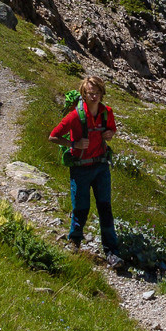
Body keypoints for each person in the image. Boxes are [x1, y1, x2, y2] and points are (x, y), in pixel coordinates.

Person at [48, 74, 121, 260]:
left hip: (101, 166)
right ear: (84, 94)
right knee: (81, 208)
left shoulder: (106, 113)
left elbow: (112, 129)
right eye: (90, 93)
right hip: (80, 169)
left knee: (105, 209)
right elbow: (53, 136)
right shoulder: (75, 116)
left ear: (102, 93)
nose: (94, 97)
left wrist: (110, 134)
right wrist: (74, 144)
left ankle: (111, 252)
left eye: (97, 93)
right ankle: (74, 243)